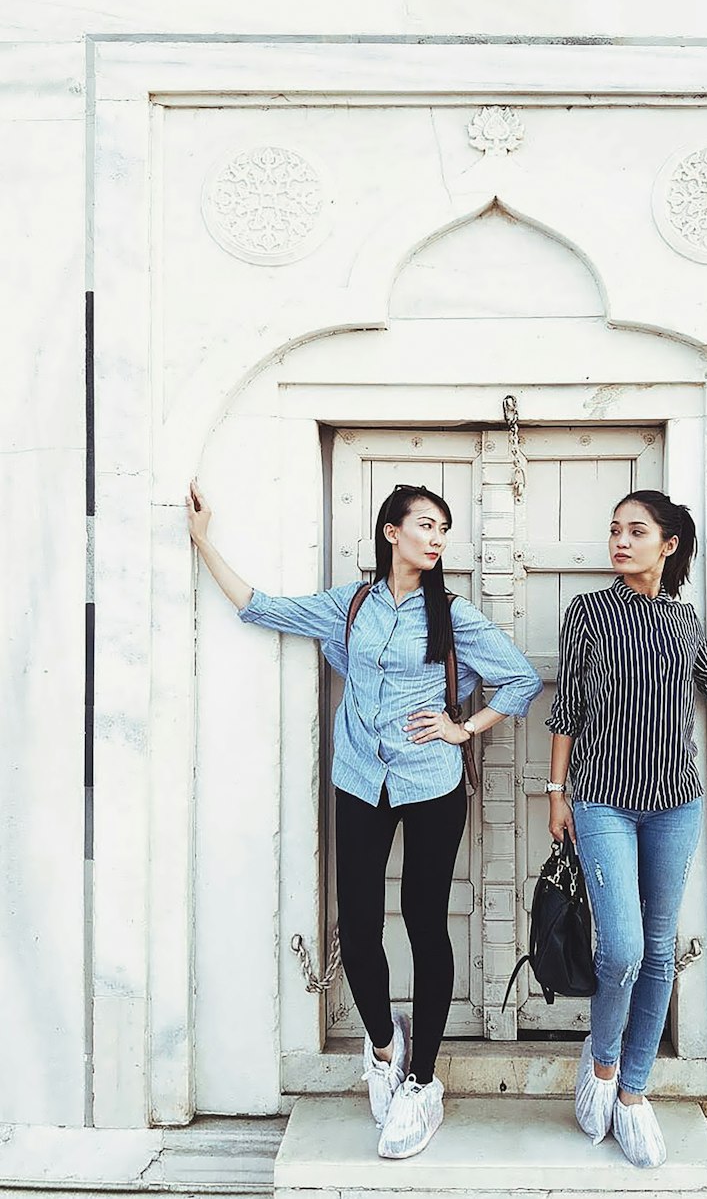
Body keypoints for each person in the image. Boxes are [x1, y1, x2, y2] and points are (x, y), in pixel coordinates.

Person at [186, 480, 542, 1159]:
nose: (437, 538)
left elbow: (521, 679)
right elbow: (263, 608)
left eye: (444, 528)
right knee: (356, 923)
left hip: (431, 783)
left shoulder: (454, 616)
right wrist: (204, 542)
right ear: (390, 532)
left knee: (424, 922)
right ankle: (385, 1046)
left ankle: (421, 1081)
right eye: (426, 525)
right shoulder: (350, 606)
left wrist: (464, 727)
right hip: (359, 780)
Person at [545, 489, 707, 1169]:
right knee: (621, 949)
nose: (619, 541)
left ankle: (632, 1092)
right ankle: (600, 1065)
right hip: (601, 800)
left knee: (660, 950)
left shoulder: (684, 623)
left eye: (635, 530)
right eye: (613, 529)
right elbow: (566, 703)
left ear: (669, 544)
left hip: (675, 805)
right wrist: (556, 791)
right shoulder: (589, 612)